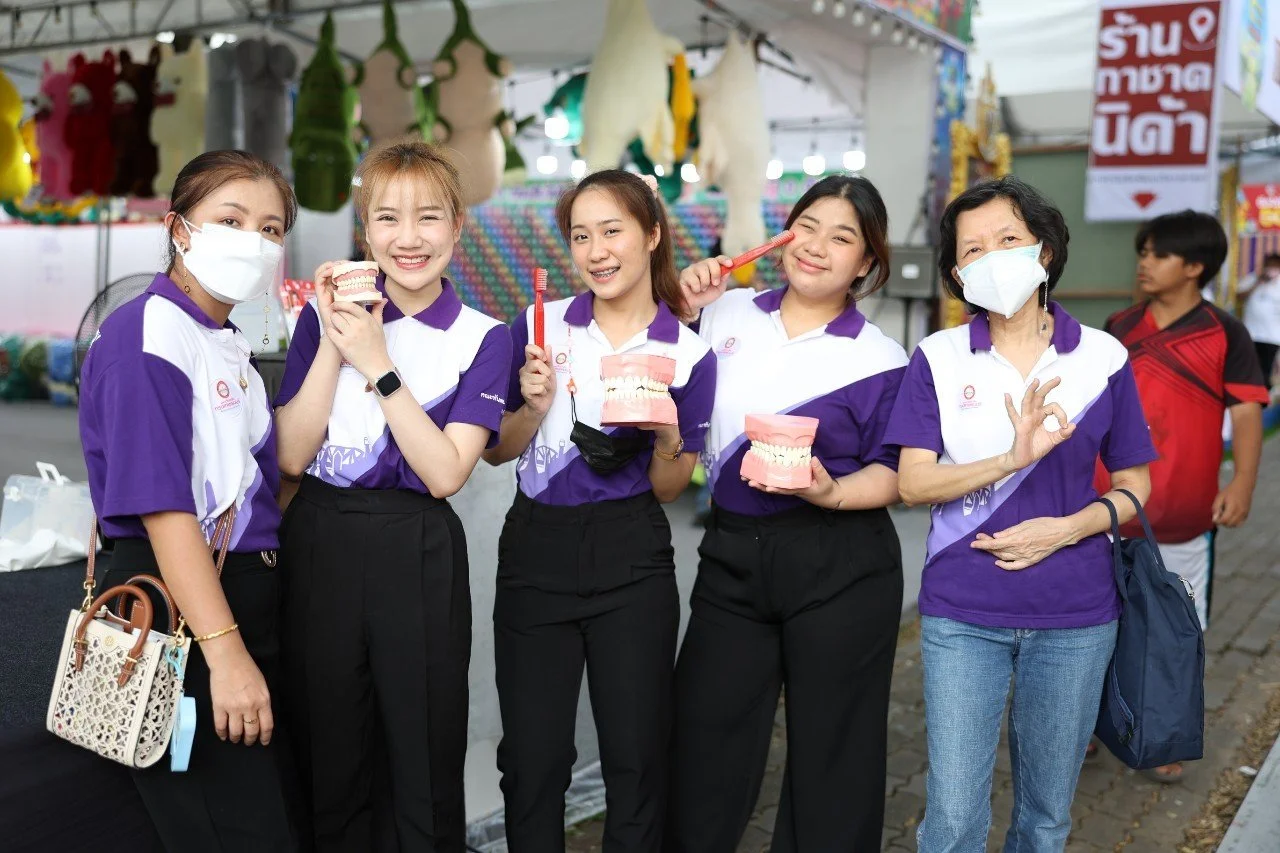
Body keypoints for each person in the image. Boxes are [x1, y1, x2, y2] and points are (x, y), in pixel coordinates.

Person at [886, 177, 1156, 852]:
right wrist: (1010, 458)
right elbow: (913, 483)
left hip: (1076, 613)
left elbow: (1135, 485)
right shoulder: (939, 357)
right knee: (952, 817)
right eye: (972, 249)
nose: (993, 257)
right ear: (957, 274)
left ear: (1044, 250)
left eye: (1008, 238)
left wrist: (1067, 529)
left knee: (1044, 816)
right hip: (961, 610)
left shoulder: (1103, 357)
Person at [273, 140, 513, 851]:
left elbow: (445, 473)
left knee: (423, 743)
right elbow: (291, 455)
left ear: (457, 225)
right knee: (326, 743)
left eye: (428, 217)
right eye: (388, 218)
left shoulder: (484, 338)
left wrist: (378, 364)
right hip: (320, 537)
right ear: (366, 230)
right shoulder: (320, 318)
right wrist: (334, 337)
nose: (408, 238)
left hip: (417, 544)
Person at [668, 175, 907, 851]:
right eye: (807, 226)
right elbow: (655, 373)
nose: (816, 246)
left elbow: (897, 473)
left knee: (834, 753)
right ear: (783, 235)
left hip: (841, 560)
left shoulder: (882, 357)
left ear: (866, 261)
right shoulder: (725, 312)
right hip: (732, 555)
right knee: (702, 739)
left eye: (842, 237)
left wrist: (833, 492)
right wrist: (680, 306)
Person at [481, 169, 715, 851]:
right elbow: (497, 452)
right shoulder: (537, 326)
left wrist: (668, 434)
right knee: (532, 761)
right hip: (535, 549)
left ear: (652, 234)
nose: (596, 250)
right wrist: (532, 406)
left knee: (637, 758)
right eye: (581, 236)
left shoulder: (689, 352)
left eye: (612, 230)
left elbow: (669, 486)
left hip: (631, 553)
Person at [77, 149, 300, 851]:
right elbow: (166, 510)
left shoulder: (223, 339)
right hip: (181, 610)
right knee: (234, 831)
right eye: (230, 220)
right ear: (179, 228)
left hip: (230, 603)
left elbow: (267, 477)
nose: (253, 241)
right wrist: (225, 655)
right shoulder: (149, 333)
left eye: (270, 229)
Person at [1094, 210, 1268, 783]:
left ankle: (1162, 733)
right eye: (1143, 252)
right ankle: (1089, 724)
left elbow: (1247, 412)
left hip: (1184, 515)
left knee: (1173, 629)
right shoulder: (1119, 326)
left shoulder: (1225, 332)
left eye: (1159, 254)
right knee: (1094, 624)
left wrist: (1242, 483)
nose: (1144, 262)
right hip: (1106, 508)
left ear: (1195, 267)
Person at [1238, 251, 1280, 391]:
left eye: (1275, 266)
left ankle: (1262, 398)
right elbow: (1239, 296)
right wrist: (1257, 282)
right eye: (1269, 265)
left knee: (1265, 372)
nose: (1272, 269)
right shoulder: (1252, 279)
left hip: (1271, 337)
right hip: (1251, 334)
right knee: (1248, 369)